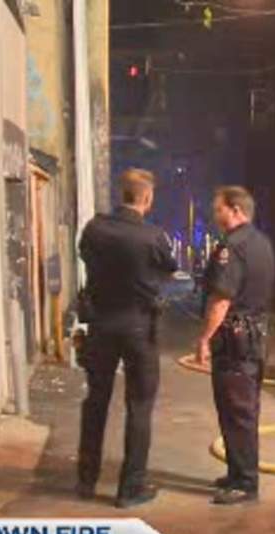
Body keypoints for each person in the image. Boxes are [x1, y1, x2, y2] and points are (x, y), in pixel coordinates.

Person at [76, 168, 178, 508]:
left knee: (96, 401)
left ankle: (85, 480)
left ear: (122, 194)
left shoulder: (94, 229)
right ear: (147, 198)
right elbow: (168, 268)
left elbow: (86, 257)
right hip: (138, 328)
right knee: (139, 406)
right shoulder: (153, 236)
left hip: (101, 325)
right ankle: (129, 488)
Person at [195, 186, 275, 505]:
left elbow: (222, 299)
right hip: (255, 337)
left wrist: (204, 339)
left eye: (220, 210)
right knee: (240, 409)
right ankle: (237, 471)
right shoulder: (262, 243)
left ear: (237, 210)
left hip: (235, 341)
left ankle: (244, 482)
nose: (216, 216)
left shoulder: (233, 247)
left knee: (237, 411)